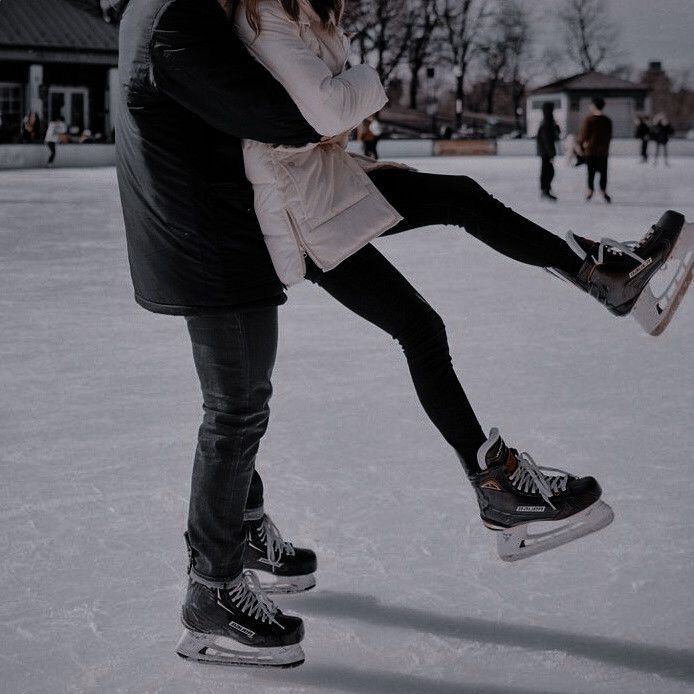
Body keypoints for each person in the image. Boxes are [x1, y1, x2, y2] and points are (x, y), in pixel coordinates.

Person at [228, 0, 690, 652]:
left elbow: (335, 109)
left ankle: (602, 282)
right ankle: (503, 477)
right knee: (425, 310)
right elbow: (335, 110)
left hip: (327, 180)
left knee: (455, 223)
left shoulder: (308, 17)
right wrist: (368, 81)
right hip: (305, 208)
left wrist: (350, 90)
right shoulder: (269, 20)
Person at [112, 0, 322, 670]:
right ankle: (212, 591)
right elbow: (287, 117)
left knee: (238, 401)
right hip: (204, 238)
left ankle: (245, 530)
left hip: (202, 226)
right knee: (236, 408)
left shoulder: (166, 7)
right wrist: (326, 77)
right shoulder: (177, 19)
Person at [577, 96, 612, 203]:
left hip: (591, 151)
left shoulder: (589, 120)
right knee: (603, 172)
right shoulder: (607, 120)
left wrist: (580, 145)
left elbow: (583, 135)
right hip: (603, 151)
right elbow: (609, 136)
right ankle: (603, 190)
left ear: (593, 106)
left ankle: (590, 191)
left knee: (590, 172)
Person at [536, 101, 560, 201]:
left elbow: (554, 136)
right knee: (548, 171)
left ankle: (545, 190)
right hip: (546, 152)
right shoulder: (547, 122)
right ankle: (545, 190)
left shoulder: (548, 121)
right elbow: (547, 139)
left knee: (547, 171)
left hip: (544, 152)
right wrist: (551, 153)